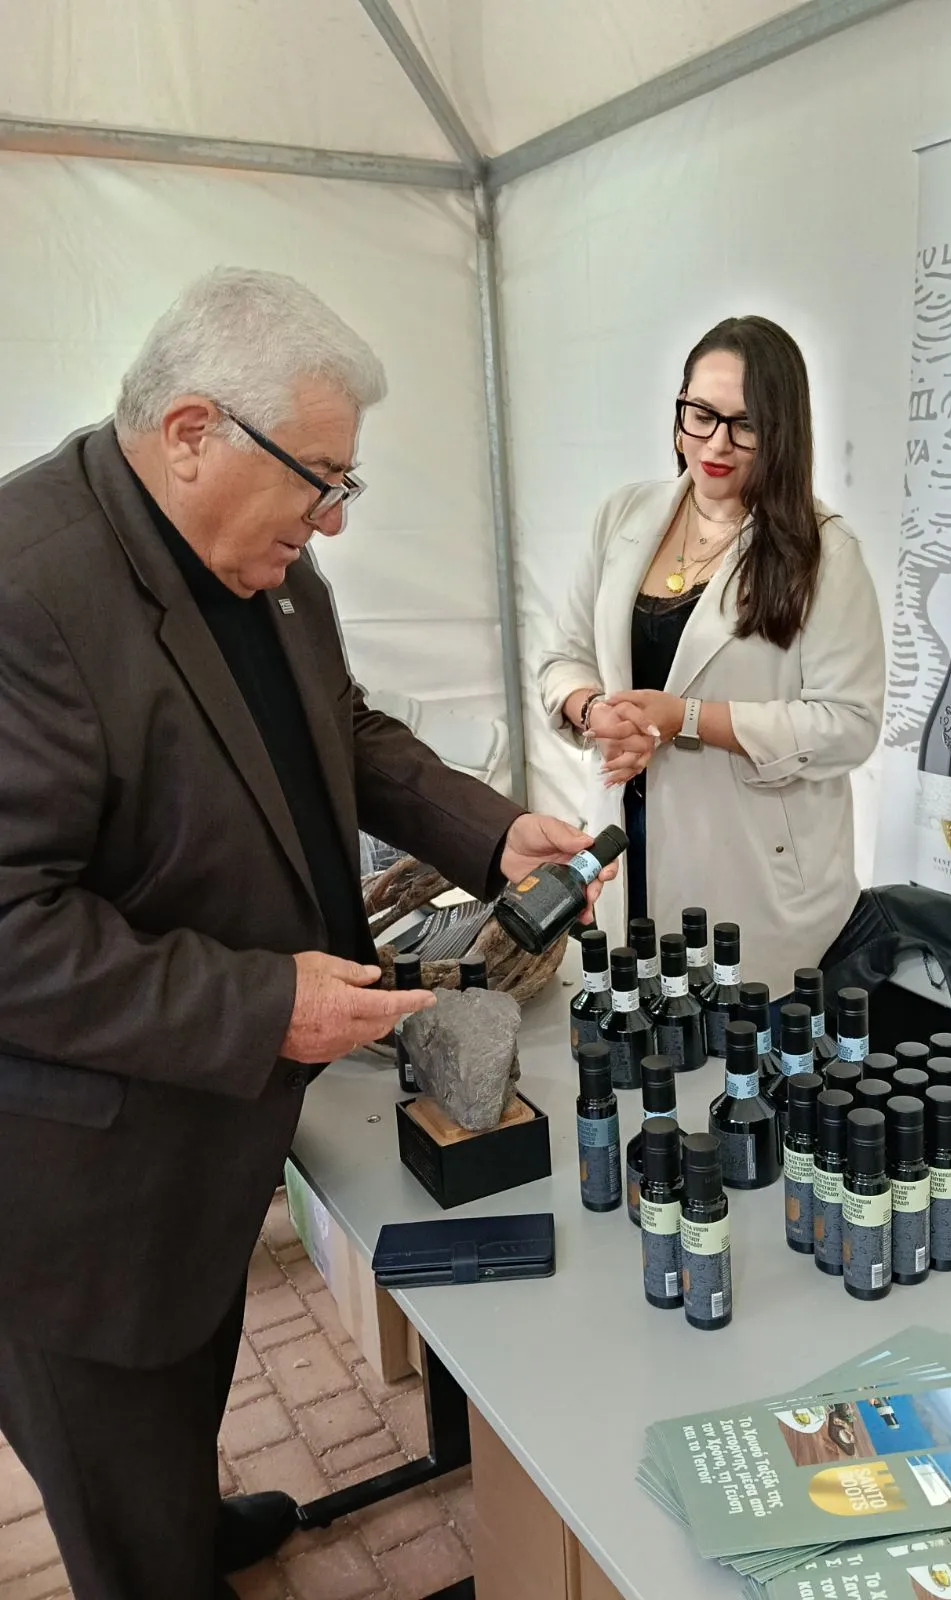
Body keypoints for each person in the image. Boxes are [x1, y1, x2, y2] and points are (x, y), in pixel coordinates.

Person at [0, 267, 613, 1600]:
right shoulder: (24, 590)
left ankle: (179, 1510)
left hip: (201, 1137)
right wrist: (258, 1005)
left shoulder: (256, 557)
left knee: (181, 1378)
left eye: (347, 483)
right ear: (193, 433)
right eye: (320, 480)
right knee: (120, 1484)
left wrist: (490, 830)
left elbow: (337, 727)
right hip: (79, 1182)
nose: (334, 518)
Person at [539, 316, 885, 1006]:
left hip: (751, 870)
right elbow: (563, 658)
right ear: (679, 413)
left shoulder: (823, 550)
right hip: (625, 842)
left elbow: (849, 725)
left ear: (782, 432)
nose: (717, 443)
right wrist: (594, 710)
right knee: (636, 1030)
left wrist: (686, 719)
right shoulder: (623, 515)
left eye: (745, 424)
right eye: (701, 415)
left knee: (733, 1044)